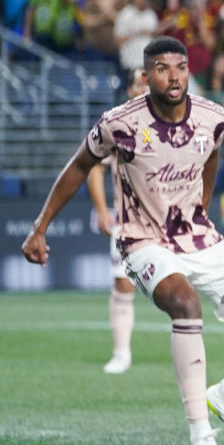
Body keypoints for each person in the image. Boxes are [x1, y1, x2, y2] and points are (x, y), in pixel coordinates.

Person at [21, 37, 224, 445]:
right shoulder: (120, 122)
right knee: (185, 304)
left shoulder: (213, 116)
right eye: (163, 69)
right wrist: (40, 227)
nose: (174, 76)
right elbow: (80, 166)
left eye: (180, 67)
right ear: (146, 76)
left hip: (199, 238)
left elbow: (212, 155)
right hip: (142, 240)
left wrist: (201, 206)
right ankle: (201, 433)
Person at [86, 67, 147, 374]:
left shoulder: (178, 120)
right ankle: (121, 352)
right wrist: (102, 209)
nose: (146, 87)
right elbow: (94, 166)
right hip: (128, 218)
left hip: (173, 220)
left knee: (182, 287)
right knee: (123, 284)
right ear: (130, 89)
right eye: (140, 82)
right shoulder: (117, 123)